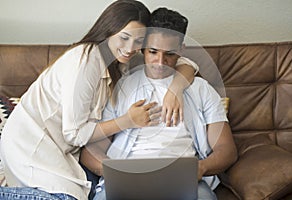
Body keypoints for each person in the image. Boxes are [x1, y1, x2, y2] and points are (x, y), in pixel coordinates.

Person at [0, 1, 199, 200]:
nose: (130, 48)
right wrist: (127, 121)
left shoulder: (123, 60)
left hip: (64, 151)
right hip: (33, 141)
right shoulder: (85, 62)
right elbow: (74, 135)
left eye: (139, 41)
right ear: (109, 30)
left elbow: (186, 63)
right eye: (124, 37)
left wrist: (175, 90)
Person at [82, 7, 238, 200]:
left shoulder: (200, 89)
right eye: (153, 51)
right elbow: (90, 152)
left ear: (181, 50)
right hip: (128, 178)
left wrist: (201, 168)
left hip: (183, 179)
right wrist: (112, 171)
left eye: (170, 54)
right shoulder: (119, 86)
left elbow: (226, 149)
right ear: (142, 47)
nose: (160, 62)